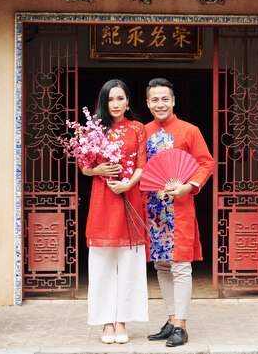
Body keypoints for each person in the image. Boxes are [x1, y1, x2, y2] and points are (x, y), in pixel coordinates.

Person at [144, 78, 214, 347]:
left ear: (173, 101)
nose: (160, 104)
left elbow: (206, 163)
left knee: (181, 266)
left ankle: (182, 326)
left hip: (180, 208)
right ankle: (172, 319)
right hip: (152, 208)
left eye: (164, 99)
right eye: (154, 100)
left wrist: (188, 186)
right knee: (161, 265)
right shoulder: (143, 131)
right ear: (148, 103)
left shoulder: (190, 131)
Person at [81, 79, 149, 344]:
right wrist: (98, 170)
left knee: (130, 264)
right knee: (101, 265)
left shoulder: (138, 128)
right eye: (110, 99)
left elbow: (143, 164)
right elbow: (85, 166)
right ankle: (106, 322)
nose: (116, 104)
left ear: (128, 101)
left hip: (129, 197)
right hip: (103, 201)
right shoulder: (94, 130)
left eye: (120, 98)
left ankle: (123, 320)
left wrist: (127, 184)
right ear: (103, 102)